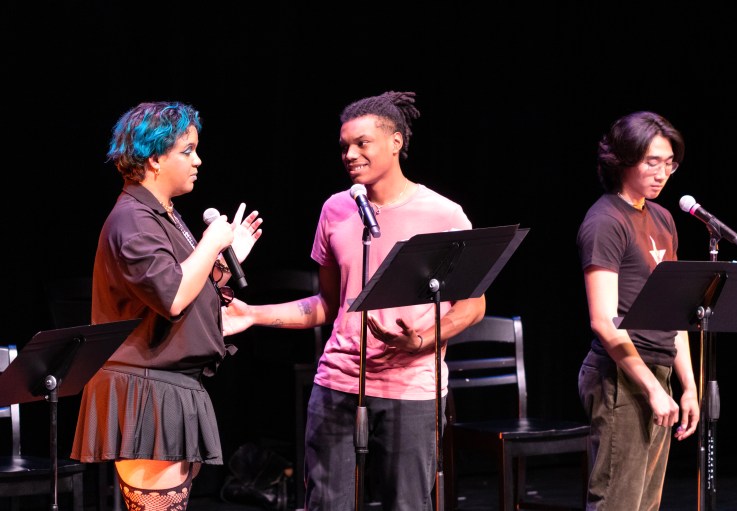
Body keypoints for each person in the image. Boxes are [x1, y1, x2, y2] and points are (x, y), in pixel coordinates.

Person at [221, 90, 486, 511]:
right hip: (338, 383)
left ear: (396, 142)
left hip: (412, 386)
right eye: (345, 146)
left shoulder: (443, 214)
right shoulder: (335, 210)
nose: (350, 154)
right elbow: (328, 305)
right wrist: (253, 314)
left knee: (407, 503)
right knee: (326, 503)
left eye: (362, 143)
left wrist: (422, 340)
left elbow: (473, 306)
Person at [70, 101, 264, 511]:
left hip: (166, 383)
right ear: (155, 158)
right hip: (145, 389)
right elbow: (173, 297)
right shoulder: (133, 220)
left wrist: (227, 262)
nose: (198, 159)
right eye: (187, 150)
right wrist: (213, 242)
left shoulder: (161, 215)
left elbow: (181, 286)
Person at [576, 111, 700, 510]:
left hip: (657, 371)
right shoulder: (605, 221)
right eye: (652, 162)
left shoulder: (662, 218)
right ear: (622, 160)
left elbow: (675, 311)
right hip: (622, 376)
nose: (662, 173)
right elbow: (603, 321)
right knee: (618, 501)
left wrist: (688, 387)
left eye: (669, 163)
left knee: (646, 503)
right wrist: (649, 387)